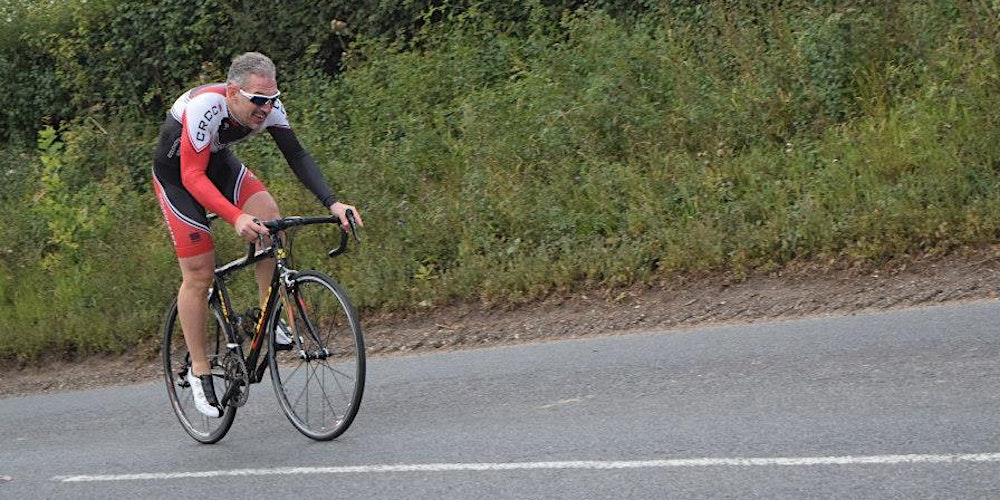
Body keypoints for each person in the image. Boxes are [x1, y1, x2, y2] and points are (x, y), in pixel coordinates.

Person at [152, 52, 364, 417]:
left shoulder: (269, 105)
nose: (267, 108)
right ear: (233, 91)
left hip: (216, 165)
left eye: (272, 99)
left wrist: (332, 203)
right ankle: (201, 371)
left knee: (270, 217)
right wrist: (235, 217)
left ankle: (270, 317)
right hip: (178, 179)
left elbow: (296, 155)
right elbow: (192, 176)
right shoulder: (206, 106)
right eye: (259, 101)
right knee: (200, 274)